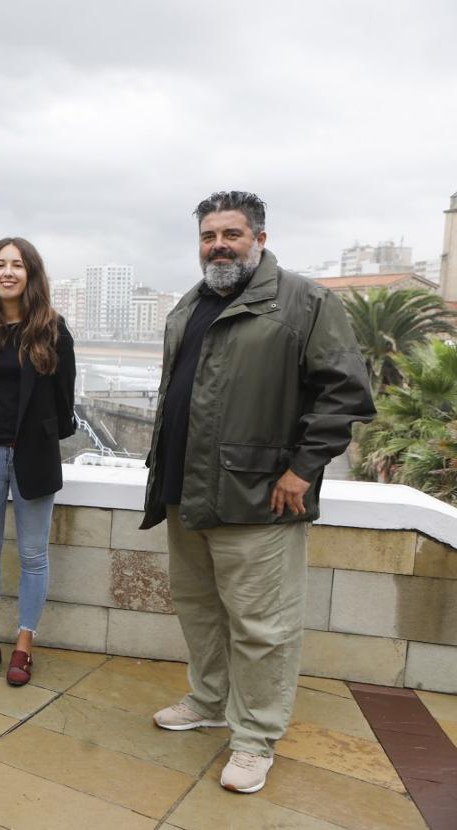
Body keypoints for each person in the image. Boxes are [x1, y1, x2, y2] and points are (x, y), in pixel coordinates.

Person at [142, 191, 375, 793]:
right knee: (200, 610)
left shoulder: (304, 302)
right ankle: (209, 700)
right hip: (186, 492)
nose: (218, 245)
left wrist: (303, 469)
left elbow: (344, 393)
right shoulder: (189, 305)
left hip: (261, 498)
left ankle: (255, 738)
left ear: (259, 239)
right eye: (208, 236)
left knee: (261, 627)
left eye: (232, 234)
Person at [0, 238, 75, 687]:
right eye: (0, 265)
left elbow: (65, 401)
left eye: (17, 265)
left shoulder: (52, 329)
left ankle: (25, 644)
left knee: (32, 556)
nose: (8, 272)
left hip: (33, 454)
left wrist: (39, 436)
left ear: (31, 274)